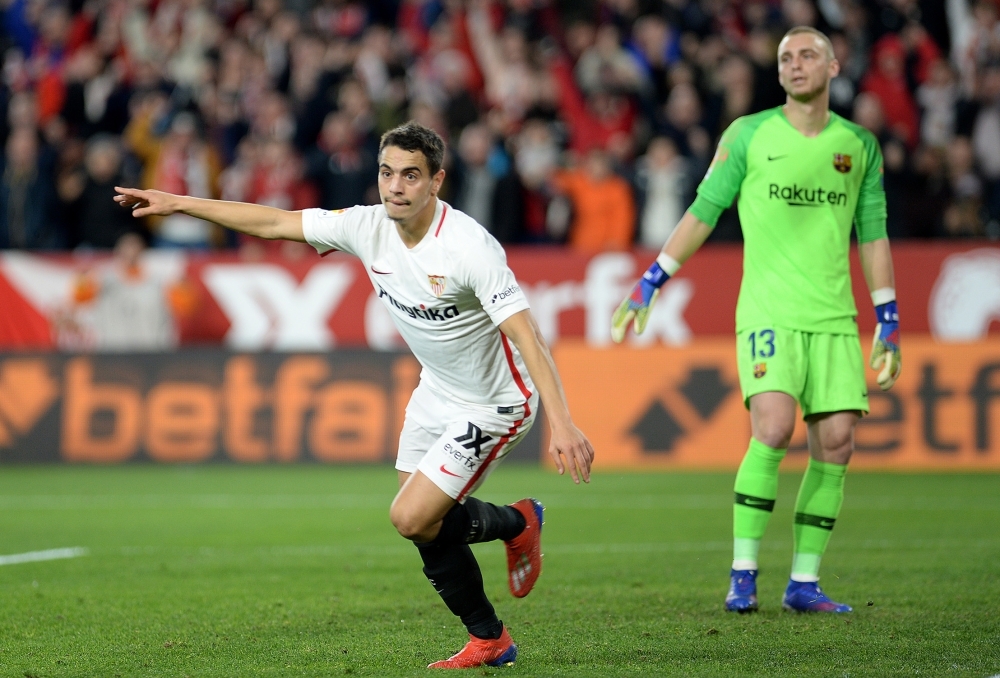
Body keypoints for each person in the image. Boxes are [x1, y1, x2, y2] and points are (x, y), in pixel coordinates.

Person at [115, 121, 595, 668]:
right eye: (387, 173)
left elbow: (527, 335)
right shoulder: (366, 226)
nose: (395, 187)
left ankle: (503, 581)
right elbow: (273, 222)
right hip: (437, 390)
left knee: (412, 517)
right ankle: (501, 596)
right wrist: (177, 203)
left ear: (436, 181)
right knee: (426, 523)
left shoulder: (468, 247)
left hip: (496, 402)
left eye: (411, 176)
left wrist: (562, 421)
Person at [611, 27, 901, 614]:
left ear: (833, 65)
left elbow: (872, 234)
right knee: (772, 427)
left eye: (807, 55)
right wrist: (650, 282)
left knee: (838, 443)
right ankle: (743, 573)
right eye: (786, 58)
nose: (795, 65)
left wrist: (888, 314)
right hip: (768, 310)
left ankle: (804, 583)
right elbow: (703, 212)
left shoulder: (858, 145)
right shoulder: (748, 135)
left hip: (834, 317)